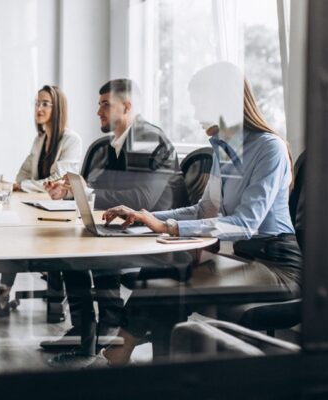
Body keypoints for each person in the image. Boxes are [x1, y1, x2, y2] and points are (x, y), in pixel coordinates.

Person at [92, 62, 300, 367]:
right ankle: (143, 360)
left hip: (279, 267)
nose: (195, 114)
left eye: (200, 104)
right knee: (161, 271)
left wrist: (168, 226)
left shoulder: (270, 149)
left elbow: (245, 224)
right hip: (246, 259)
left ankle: (126, 350)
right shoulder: (226, 149)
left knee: (171, 284)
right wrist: (145, 215)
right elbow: (203, 209)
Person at [38, 79, 179, 350]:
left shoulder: (147, 138)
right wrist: (68, 191)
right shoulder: (108, 146)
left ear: (126, 107)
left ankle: (105, 326)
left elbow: (142, 200)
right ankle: (84, 327)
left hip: (152, 229)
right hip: (121, 225)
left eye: (105, 105)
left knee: (77, 243)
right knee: (66, 243)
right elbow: (101, 191)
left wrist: (87, 194)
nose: (98, 111)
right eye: (98, 104)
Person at [0, 85, 82, 318]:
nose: (38, 108)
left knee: (20, 234)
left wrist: (23, 185)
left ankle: (52, 300)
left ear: (58, 107)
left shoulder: (71, 140)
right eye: (37, 103)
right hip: (38, 206)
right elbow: (23, 173)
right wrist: (21, 184)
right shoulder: (40, 139)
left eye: (45, 104)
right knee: (12, 231)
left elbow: (56, 181)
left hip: (60, 212)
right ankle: (2, 297)